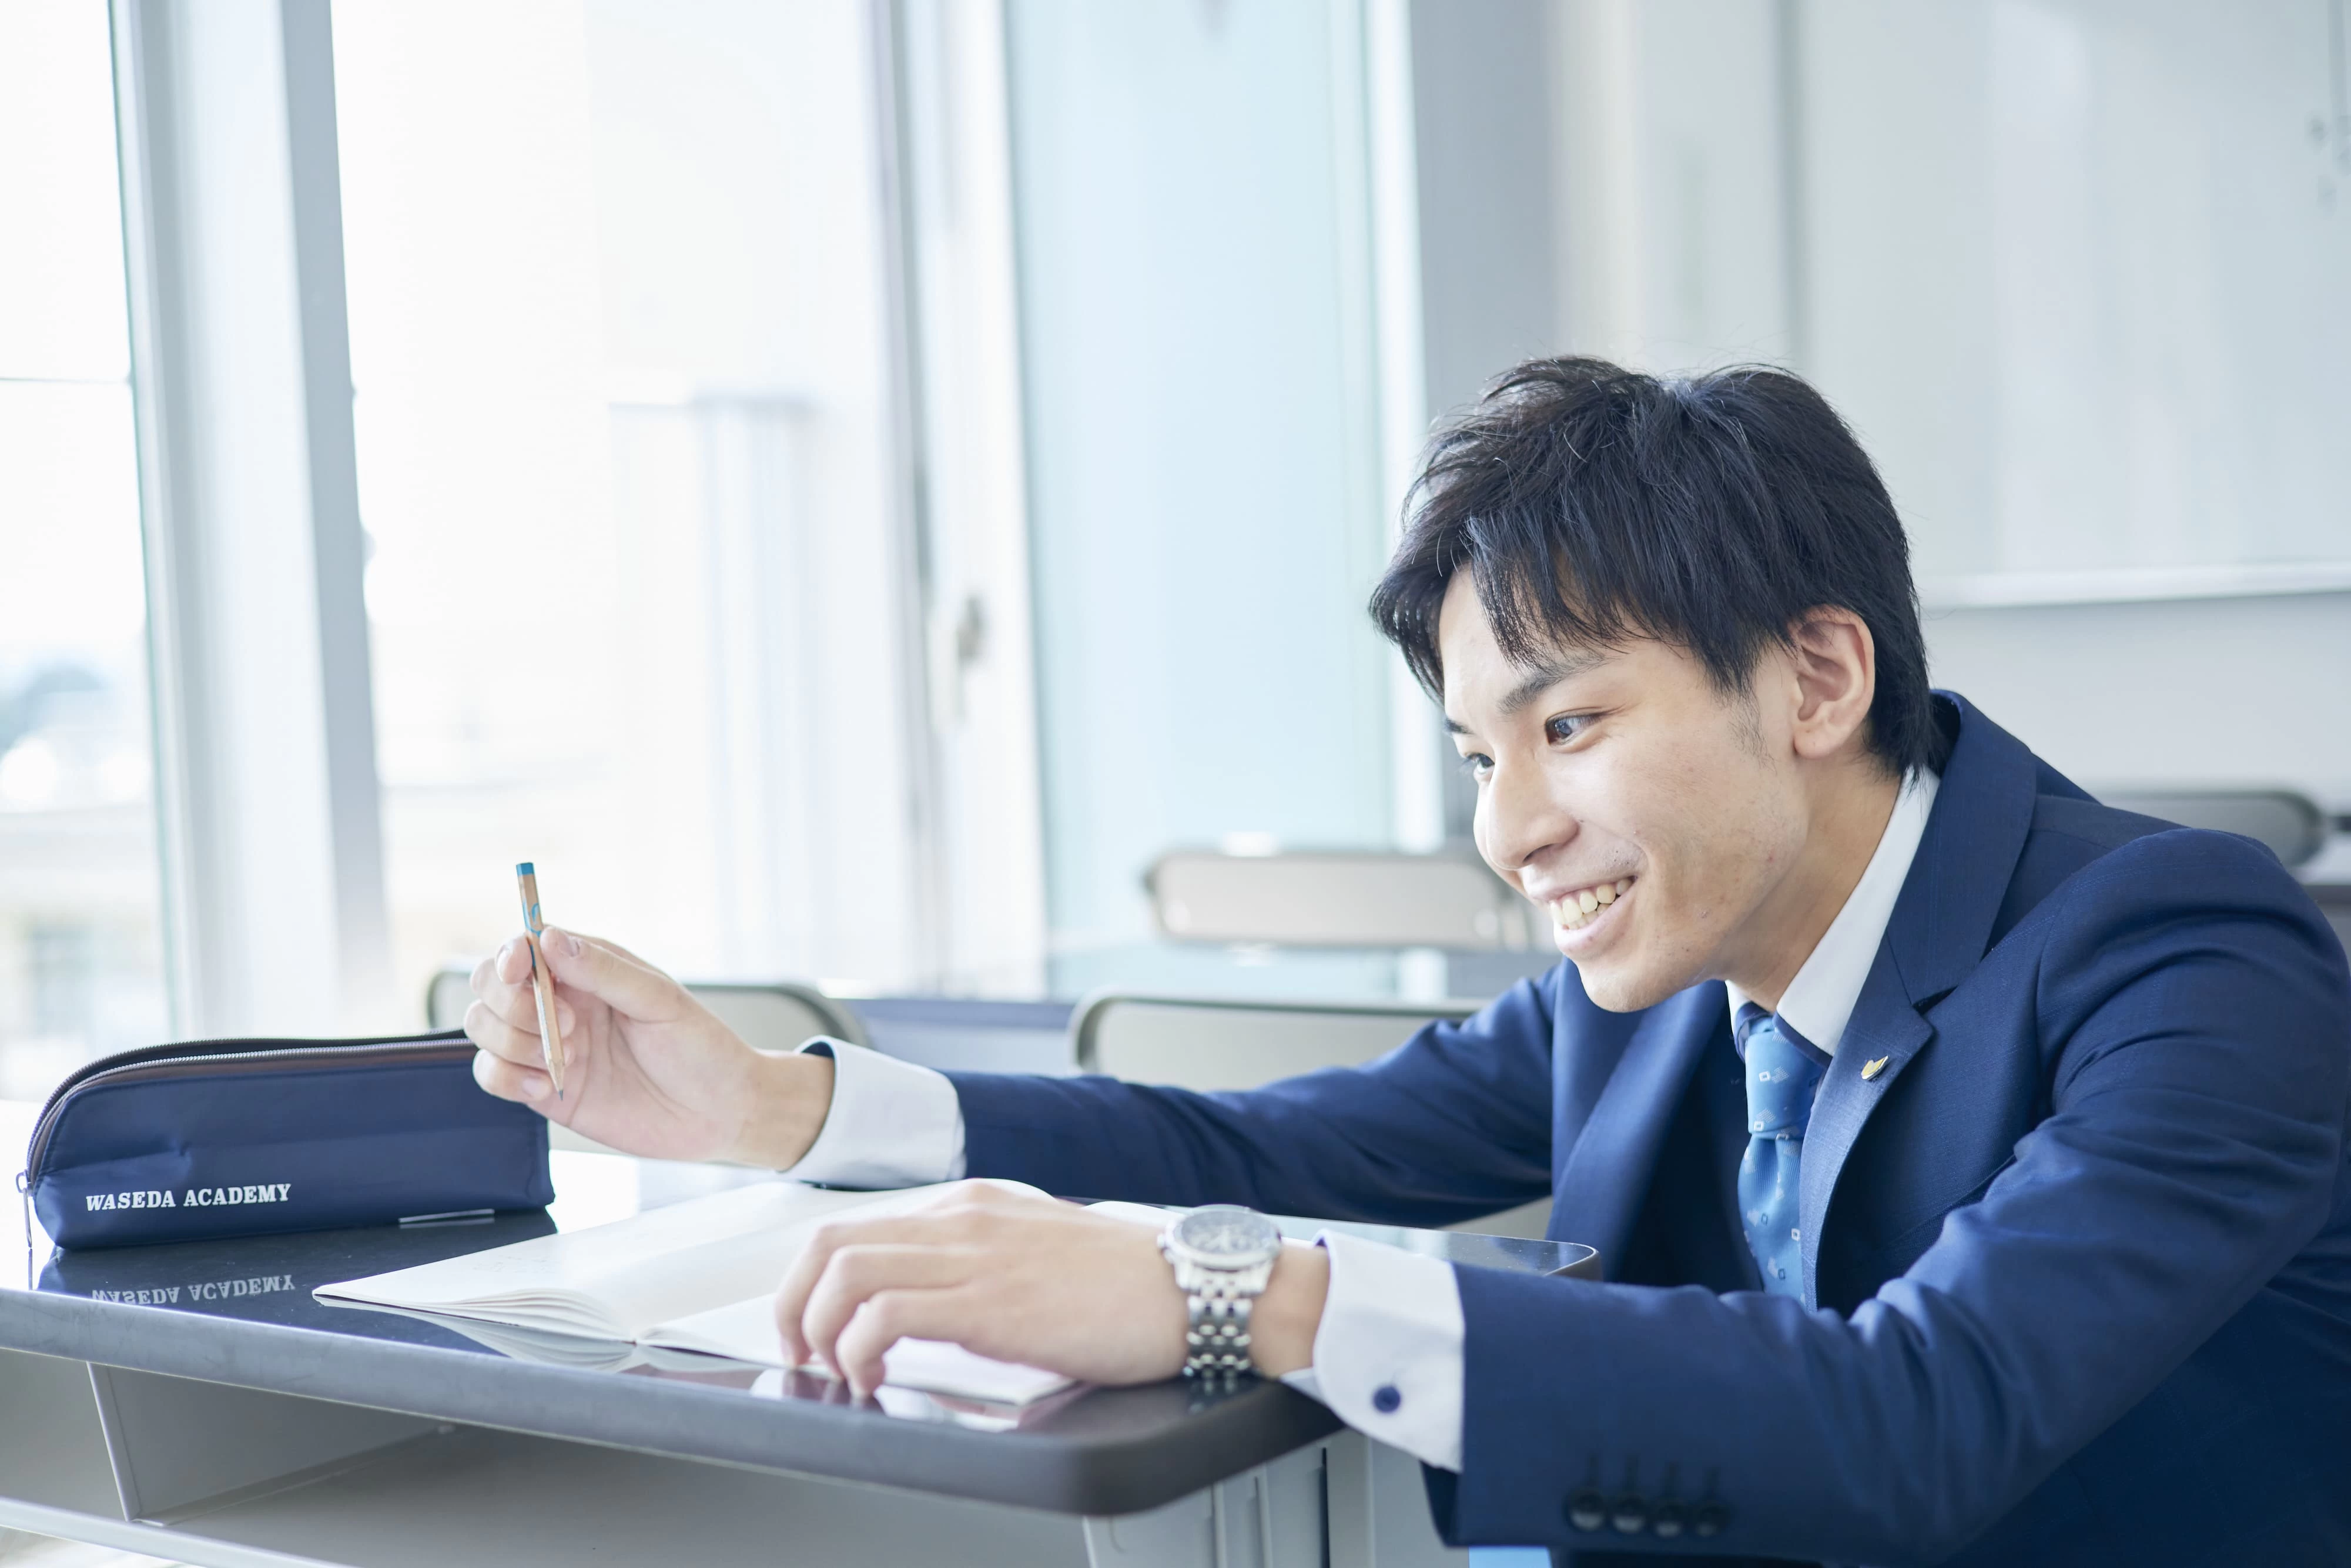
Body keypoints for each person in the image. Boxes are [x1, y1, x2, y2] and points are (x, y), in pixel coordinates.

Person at [466, 359, 2351, 1565]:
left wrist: (1247, 1303)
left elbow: (1914, 1419)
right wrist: (771, 1102)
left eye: (1571, 726)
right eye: (1478, 755)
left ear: (1820, 676)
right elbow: (1266, 1149)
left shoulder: (2187, 955)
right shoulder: (1668, 982)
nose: (1508, 831)